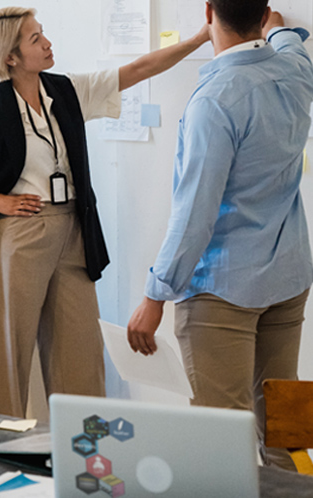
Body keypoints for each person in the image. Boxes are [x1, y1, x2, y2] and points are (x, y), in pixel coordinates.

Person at [0, 6, 209, 417]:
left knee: (80, 351)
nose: (48, 43)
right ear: (10, 57)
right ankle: (3, 456)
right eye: (35, 39)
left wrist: (200, 39)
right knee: (10, 353)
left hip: (72, 228)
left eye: (43, 34)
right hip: (21, 233)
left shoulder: (66, 90)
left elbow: (138, 69)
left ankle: (85, 457)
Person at [127, 2, 313, 471]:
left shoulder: (215, 99)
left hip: (222, 291)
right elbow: (292, 41)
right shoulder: (294, 69)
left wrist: (155, 294)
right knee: (287, 429)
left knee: (221, 438)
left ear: (208, 11)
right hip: (288, 280)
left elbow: (195, 216)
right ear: (265, 12)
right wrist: (278, 31)